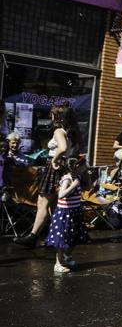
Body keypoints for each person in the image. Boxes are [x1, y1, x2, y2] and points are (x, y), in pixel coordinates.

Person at [14, 106, 80, 249]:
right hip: (63, 168)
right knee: (55, 205)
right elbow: (72, 151)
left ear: (57, 117)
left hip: (54, 168)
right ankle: (55, 235)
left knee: (43, 203)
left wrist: (55, 159)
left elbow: (62, 148)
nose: (50, 117)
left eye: (52, 115)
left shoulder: (58, 131)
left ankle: (33, 236)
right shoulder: (71, 133)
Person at [46, 156, 88, 274]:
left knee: (74, 237)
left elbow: (88, 187)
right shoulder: (67, 179)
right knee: (62, 239)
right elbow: (61, 195)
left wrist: (87, 176)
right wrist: (73, 185)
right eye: (84, 166)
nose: (86, 168)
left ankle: (66, 257)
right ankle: (58, 264)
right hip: (64, 213)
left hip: (75, 211)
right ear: (76, 167)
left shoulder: (78, 177)